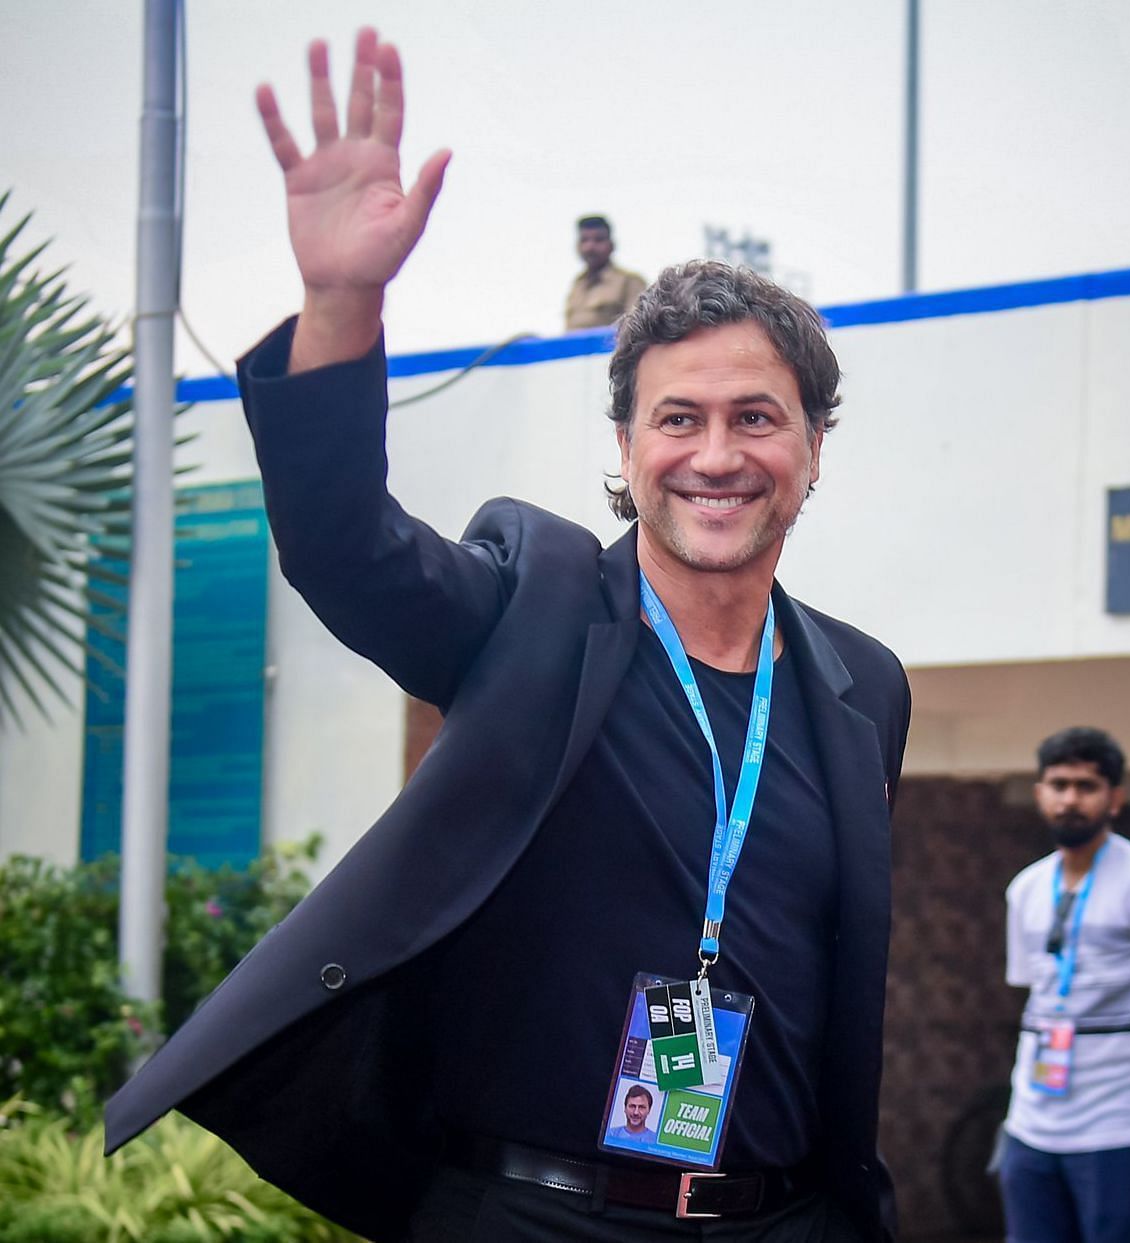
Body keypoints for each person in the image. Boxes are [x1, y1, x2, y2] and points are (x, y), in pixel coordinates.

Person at [103, 29, 911, 1243]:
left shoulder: (865, 688)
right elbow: (345, 546)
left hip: (780, 1215)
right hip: (527, 1214)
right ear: (629, 449)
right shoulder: (528, 608)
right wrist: (340, 302)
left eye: (758, 416)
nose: (717, 454)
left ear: (811, 447)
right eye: (677, 417)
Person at [997, 726, 1130, 1243]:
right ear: (1040, 792)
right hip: (1031, 1115)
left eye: (1087, 787)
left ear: (1115, 798)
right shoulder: (1026, 887)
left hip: (1118, 1116)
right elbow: (1037, 994)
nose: (1070, 799)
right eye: (1059, 784)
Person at [564, 214, 646, 330]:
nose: (590, 247)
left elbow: (637, 330)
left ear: (612, 245)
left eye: (598, 240)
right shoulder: (577, 285)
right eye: (584, 240)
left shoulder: (628, 282)